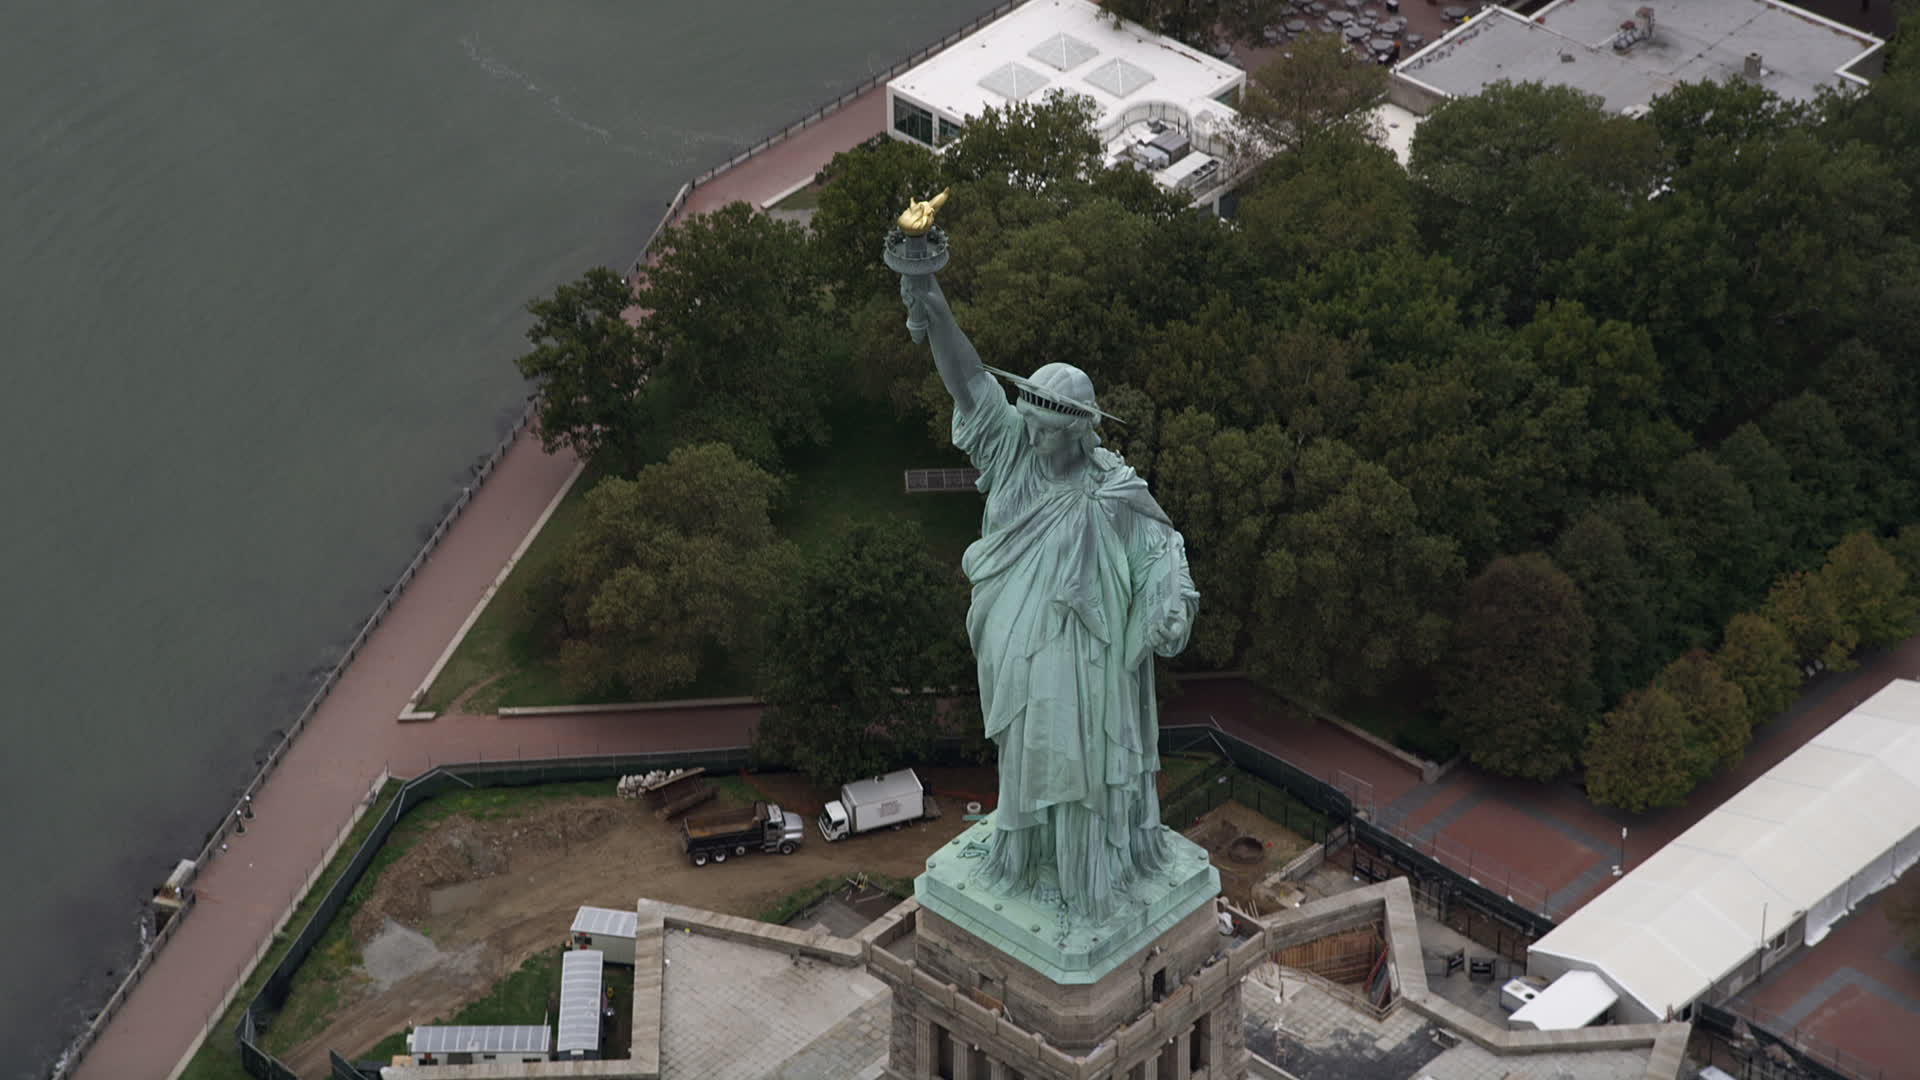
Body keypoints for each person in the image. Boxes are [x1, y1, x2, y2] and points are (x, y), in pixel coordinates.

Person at [901, 274, 1200, 922]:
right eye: (1029, 424)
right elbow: (970, 380)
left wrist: (1170, 606)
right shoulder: (1011, 451)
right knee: (1028, 755)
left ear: (1080, 431)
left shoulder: (1113, 489)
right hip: (1015, 643)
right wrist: (931, 298)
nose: (1034, 439)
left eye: (1047, 432)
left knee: (1076, 765)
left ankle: (1081, 884)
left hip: (1085, 657)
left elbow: (1159, 552)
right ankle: (1023, 858)